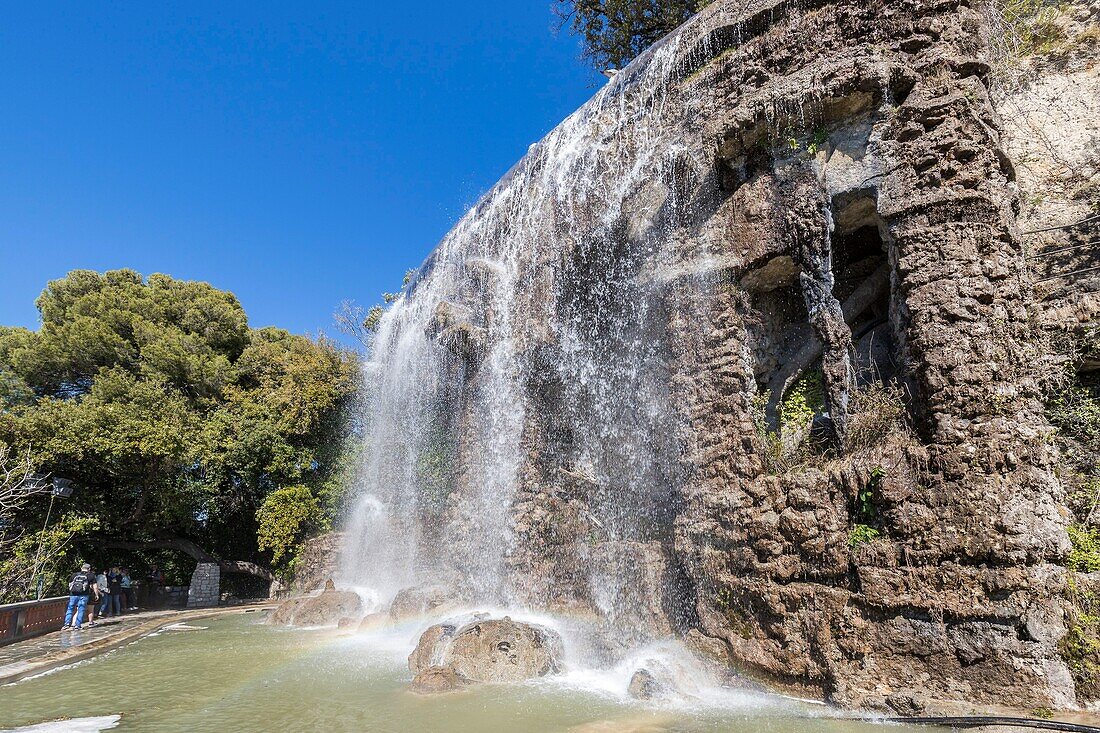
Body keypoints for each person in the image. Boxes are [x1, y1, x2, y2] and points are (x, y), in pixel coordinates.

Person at [61, 563, 99, 630]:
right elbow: (95, 586)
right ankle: (77, 625)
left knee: (70, 609)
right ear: (89, 569)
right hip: (84, 595)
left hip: (73, 595)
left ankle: (66, 624)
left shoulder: (74, 575)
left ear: (81, 568)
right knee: (81, 609)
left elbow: (70, 584)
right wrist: (96, 594)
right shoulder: (91, 575)